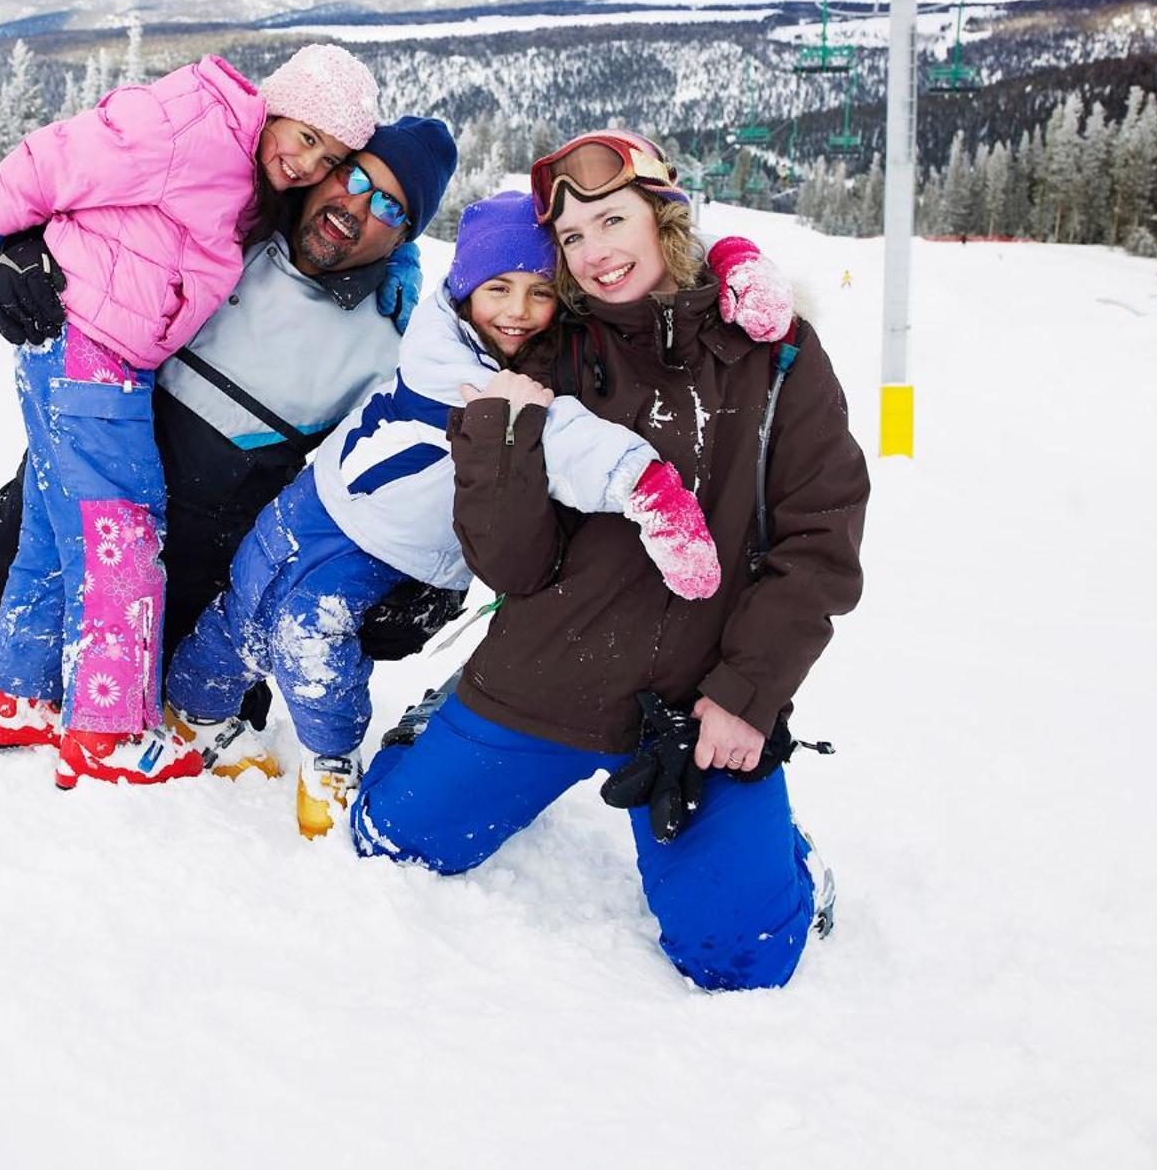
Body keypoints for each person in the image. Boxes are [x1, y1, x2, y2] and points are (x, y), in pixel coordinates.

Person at [350, 128, 869, 993]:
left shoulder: (775, 355)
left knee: (743, 960)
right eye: (573, 237)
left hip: (700, 706)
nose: (594, 253)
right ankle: (440, 723)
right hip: (545, 678)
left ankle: (782, 854)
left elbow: (821, 539)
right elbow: (511, 567)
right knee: (390, 842)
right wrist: (498, 434)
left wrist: (745, 697)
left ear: (663, 216)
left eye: (612, 220)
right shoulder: (549, 352)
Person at [158, 188, 737, 839]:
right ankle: (196, 708)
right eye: (498, 288)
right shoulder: (450, 359)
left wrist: (650, 490)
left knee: (308, 633)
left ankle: (328, 759)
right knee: (245, 602)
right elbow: (555, 429)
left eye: (539, 292)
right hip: (326, 503)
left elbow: (571, 438)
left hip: (384, 543)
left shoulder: (530, 375)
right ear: (465, 291)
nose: (517, 310)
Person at [0, 133, 464, 720]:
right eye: (357, 179)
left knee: (166, 707)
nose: (358, 207)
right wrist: (32, 249)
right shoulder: (230, 222)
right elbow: (104, 210)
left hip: (197, 559)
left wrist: (419, 580)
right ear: (328, 172)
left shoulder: (386, 345)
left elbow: (393, 476)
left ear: (403, 239)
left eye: (391, 207)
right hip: (82, 490)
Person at [0, 43, 387, 789]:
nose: (307, 163)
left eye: (328, 154)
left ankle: (15, 695)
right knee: (123, 535)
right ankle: (105, 731)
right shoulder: (193, 123)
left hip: (104, 351)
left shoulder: (247, 171)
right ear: (278, 102)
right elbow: (53, 158)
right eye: (305, 136)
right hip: (87, 342)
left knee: (55, 527)